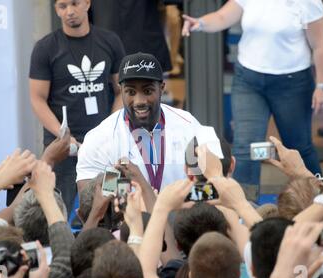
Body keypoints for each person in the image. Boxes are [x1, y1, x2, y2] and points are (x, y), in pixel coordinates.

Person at [182, 0, 323, 201]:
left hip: (292, 83)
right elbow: (223, 17)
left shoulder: (307, 2)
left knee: (298, 148)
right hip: (248, 80)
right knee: (245, 149)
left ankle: (321, 201)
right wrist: (200, 22)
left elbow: (319, 46)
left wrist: (322, 86)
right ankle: (246, 208)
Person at [29, 0, 126, 213]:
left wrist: (109, 129)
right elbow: (37, 99)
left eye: (75, 3)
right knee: (57, 210)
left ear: (87, 3)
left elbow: (122, 91)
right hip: (63, 148)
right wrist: (63, 135)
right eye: (63, 6)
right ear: (56, 9)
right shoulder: (45, 47)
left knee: (110, 205)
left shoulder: (109, 41)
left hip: (105, 147)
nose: (70, 12)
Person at [76, 52, 203, 194]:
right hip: (126, 216)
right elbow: (90, 202)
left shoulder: (188, 125)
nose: (139, 101)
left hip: (181, 214)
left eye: (148, 91)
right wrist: (115, 182)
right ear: (121, 90)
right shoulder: (100, 138)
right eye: (130, 92)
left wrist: (174, 202)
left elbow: (209, 189)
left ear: (161, 88)